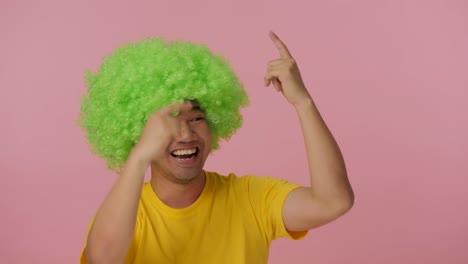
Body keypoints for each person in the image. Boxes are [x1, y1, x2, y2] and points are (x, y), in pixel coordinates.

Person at [79, 31, 354, 264]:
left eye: (197, 118)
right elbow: (102, 258)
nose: (186, 134)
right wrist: (138, 157)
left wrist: (302, 102)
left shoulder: (250, 198)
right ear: (140, 134)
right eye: (168, 123)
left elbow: (333, 202)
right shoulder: (124, 212)